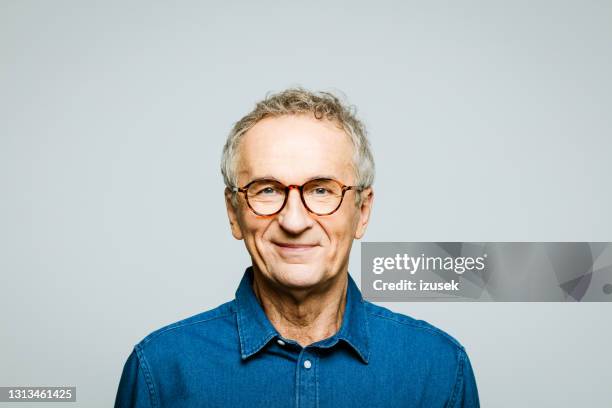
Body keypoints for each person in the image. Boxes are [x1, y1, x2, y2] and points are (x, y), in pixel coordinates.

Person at [114, 88, 480, 407]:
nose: (293, 221)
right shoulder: (159, 370)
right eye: (267, 190)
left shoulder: (440, 368)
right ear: (233, 213)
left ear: (362, 211)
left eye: (321, 190)